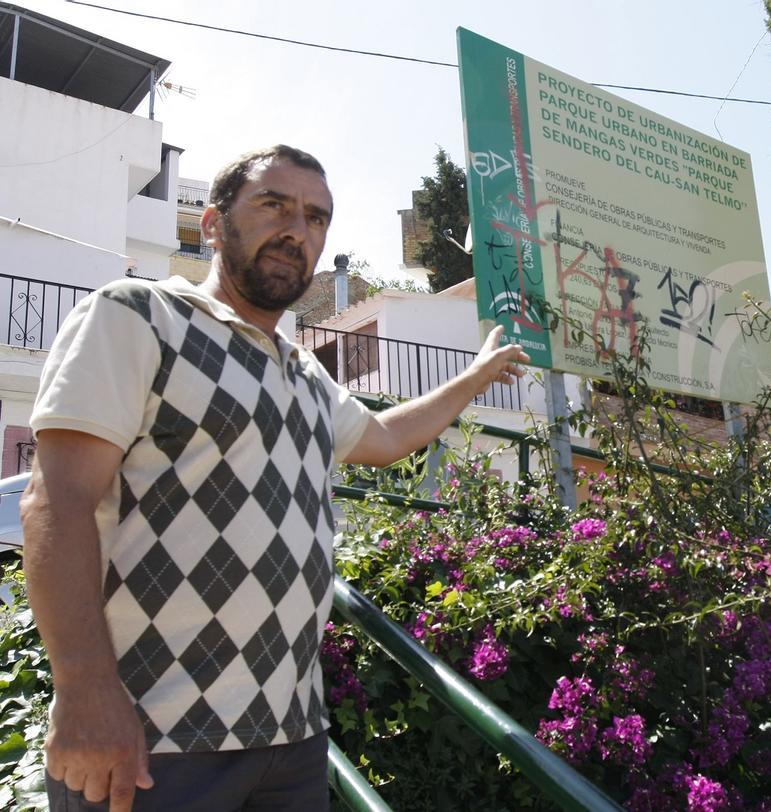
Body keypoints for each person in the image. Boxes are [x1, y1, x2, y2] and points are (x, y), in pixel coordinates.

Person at [20, 145, 530, 811]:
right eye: (274, 205)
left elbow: (384, 437)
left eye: (317, 218)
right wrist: (84, 688)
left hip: (290, 736)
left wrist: (475, 376)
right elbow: (56, 501)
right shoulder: (141, 317)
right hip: (153, 742)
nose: (298, 229)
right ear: (210, 225)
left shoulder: (304, 372)